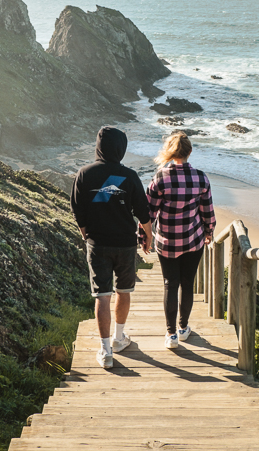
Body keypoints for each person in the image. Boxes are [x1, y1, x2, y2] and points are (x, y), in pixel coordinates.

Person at [70, 126, 153, 369]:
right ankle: (119, 339)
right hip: (125, 243)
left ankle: (105, 351)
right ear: (121, 148)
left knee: (102, 296)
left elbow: (78, 210)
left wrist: (87, 234)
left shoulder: (84, 174)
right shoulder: (129, 176)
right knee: (124, 291)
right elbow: (143, 213)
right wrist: (148, 237)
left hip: (98, 244)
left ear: (98, 146)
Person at [146, 131, 215, 349]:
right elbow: (207, 212)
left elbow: (148, 212)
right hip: (193, 240)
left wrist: (144, 237)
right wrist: (209, 231)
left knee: (170, 284)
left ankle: (171, 335)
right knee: (187, 284)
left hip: (166, 242)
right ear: (189, 152)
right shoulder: (201, 177)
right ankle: (184, 328)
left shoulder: (160, 177)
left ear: (170, 151)